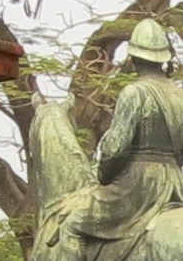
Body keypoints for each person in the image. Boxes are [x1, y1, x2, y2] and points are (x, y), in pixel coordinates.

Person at [56, 20, 183, 261]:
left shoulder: (134, 92)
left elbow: (115, 148)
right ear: (163, 58)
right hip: (175, 184)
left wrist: (104, 176)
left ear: (134, 58)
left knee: (72, 223)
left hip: (137, 186)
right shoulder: (180, 95)